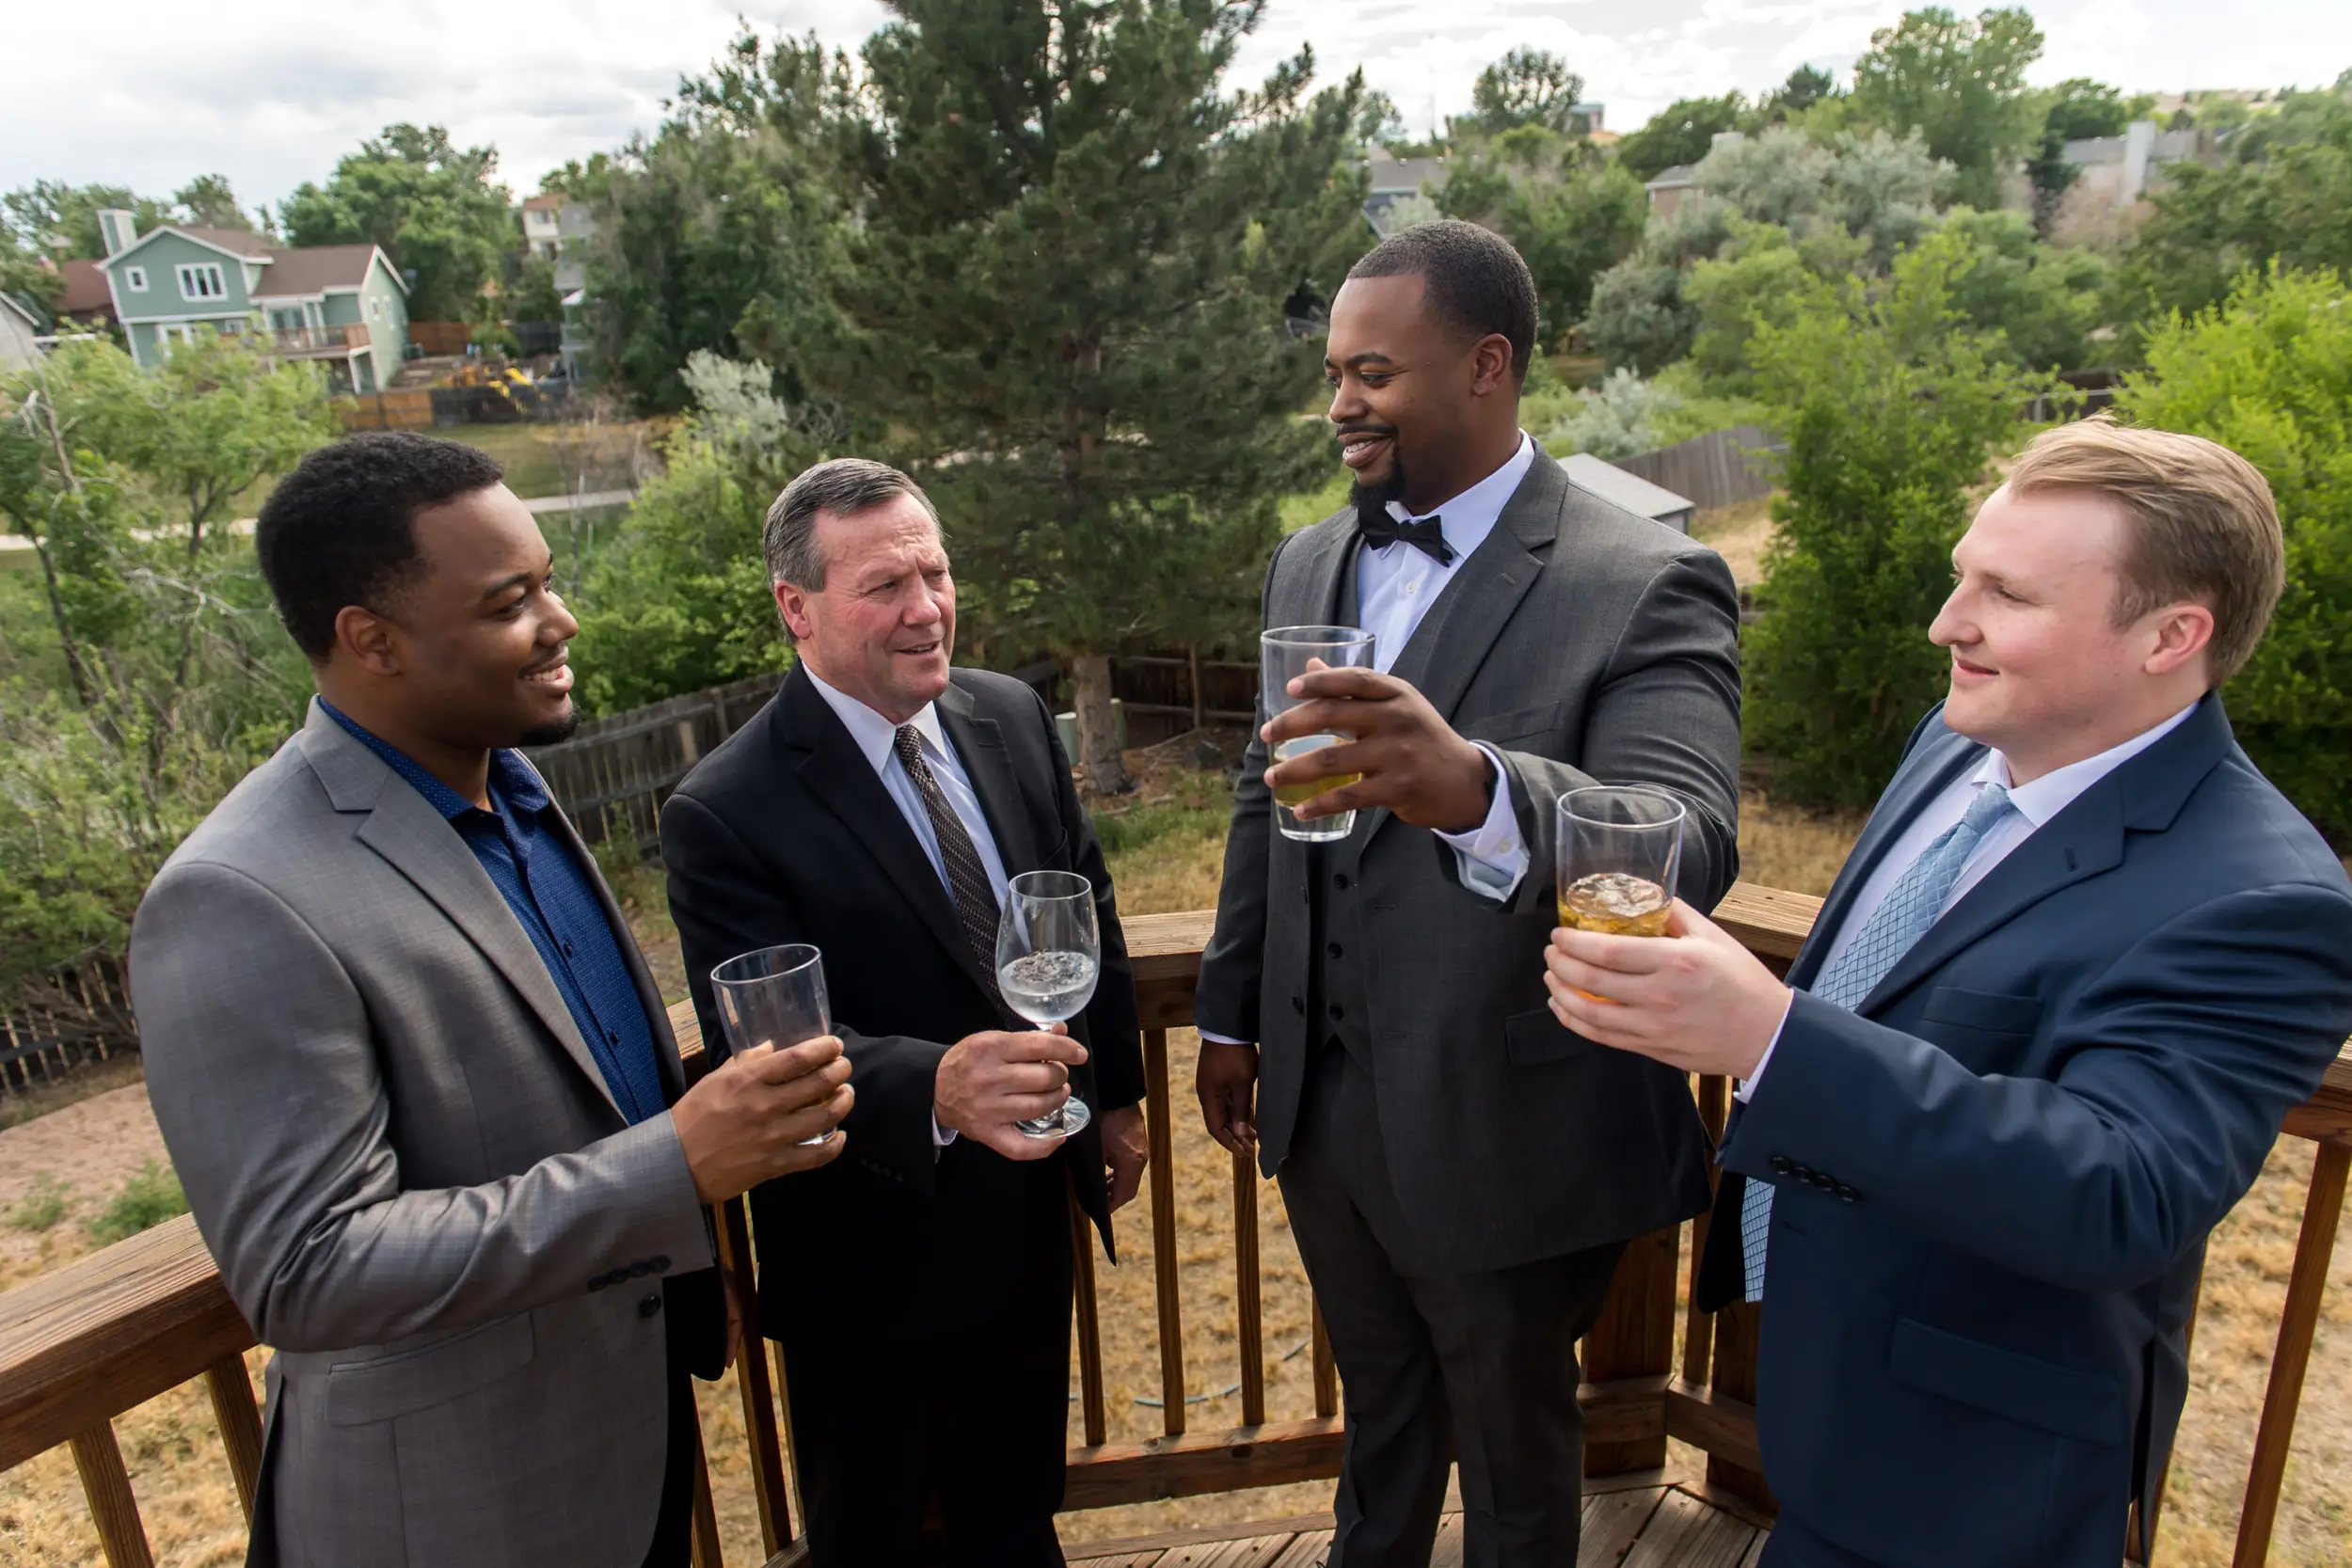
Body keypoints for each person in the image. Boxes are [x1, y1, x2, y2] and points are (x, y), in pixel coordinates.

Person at [1544, 418, 2352, 1568]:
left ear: (2172, 635)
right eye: (1960, 574)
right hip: (1826, 1396)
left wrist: (1770, 1038)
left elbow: (2117, 1192)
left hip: (1973, 1472)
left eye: (2007, 595)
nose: (1946, 622)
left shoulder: (2264, 898)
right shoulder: (1955, 738)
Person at [130, 433, 855, 1568]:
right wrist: (675, 1166)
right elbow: (308, 1268)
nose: (561, 619)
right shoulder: (235, 897)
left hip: (624, 1439)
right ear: (371, 639)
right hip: (464, 1505)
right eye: (511, 600)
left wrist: (682, 1254)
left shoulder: (509, 785)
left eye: (548, 577)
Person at [1193, 220, 1743, 1567]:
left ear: (1488, 364)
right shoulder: (1307, 561)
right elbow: (1264, 793)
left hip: (1512, 1120)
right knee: (1380, 1420)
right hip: (1322, 1113)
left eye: (1374, 371)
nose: (1340, 402)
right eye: (1334, 370)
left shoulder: (1645, 579)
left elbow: (1689, 835)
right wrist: (1227, 1008)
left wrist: (1481, 788)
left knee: (1510, 1451)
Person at [660, 457, 1148, 1567]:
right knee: (871, 1534)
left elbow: (1089, 905)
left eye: (934, 570)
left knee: (1019, 1510)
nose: (926, 606)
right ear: (799, 607)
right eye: (885, 584)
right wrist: (931, 1084)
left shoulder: (1010, 714)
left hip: (1027, 1221)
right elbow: (772, 1046)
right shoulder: (724, 809)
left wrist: (1114, 1095)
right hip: (866, 1258)